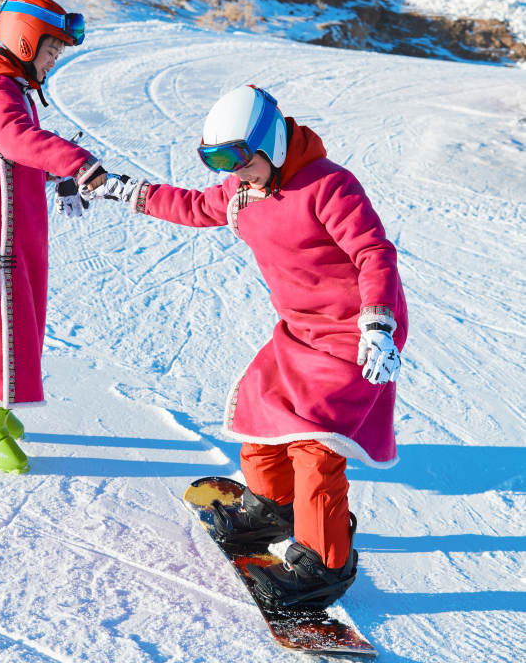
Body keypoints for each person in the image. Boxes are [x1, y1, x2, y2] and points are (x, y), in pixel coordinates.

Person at [85, 84, 408, 608]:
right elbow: (189, 205)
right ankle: (274, 507)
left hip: (356, 331)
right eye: (219, 162)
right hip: (300, 329)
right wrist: (125, 191)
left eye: (241, 160)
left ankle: (325, 563)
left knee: (314, 445)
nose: (234, 174)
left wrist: (378, 322)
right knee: (261, 413)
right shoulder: (243, 193)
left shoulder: (329, 186)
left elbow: (373, 251)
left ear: (273, 145)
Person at [0, 0, 107, 473]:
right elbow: (16, 140)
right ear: (25, 41)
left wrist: (55, 176)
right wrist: (76, 161)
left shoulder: (15, 87)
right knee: (5, 325)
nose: (54, 61)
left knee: (22, 318)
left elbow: (16, 159)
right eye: (50, 50)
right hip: (1, 240)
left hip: (20, 233)